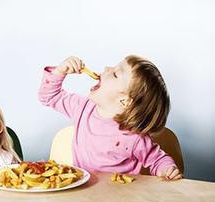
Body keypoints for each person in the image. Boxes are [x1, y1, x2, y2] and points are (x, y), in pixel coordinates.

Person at [38, 55, 182, 180]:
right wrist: (59, 71)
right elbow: (49, 97)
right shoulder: (82, 108)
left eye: (115, 74)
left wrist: (167, 170)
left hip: (119, 201)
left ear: (124, 101)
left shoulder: (134, 137)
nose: (107, 68)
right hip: (82, 195)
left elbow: (157, 160)